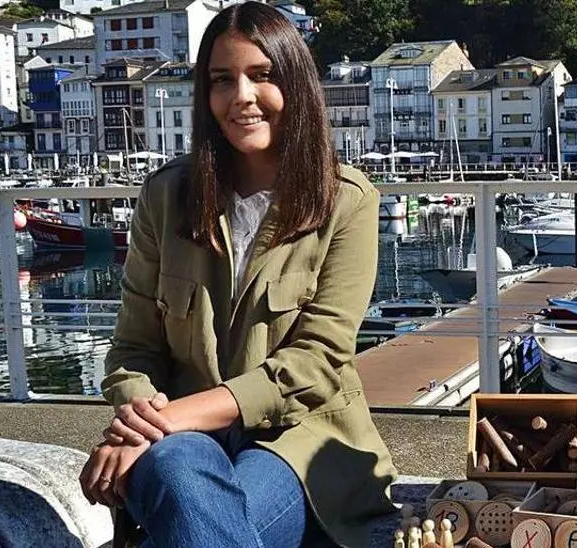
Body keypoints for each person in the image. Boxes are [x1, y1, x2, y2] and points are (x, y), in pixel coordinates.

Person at [78, 3, 396, 547]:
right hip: (183, 440)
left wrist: (159, 424)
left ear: (296, 85)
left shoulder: (346, 200)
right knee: (180, 470)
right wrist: (146, 420)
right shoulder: (165, 197)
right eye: (222, 80)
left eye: (262, 75)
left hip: (299, 441)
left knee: (196, 499)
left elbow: (315, 362)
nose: (241, 96)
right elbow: (133, 349)